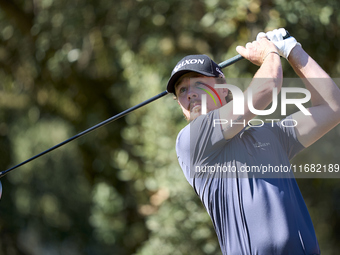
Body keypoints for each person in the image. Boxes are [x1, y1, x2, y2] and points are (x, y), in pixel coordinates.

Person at [166, 28, 340, 254]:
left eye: (197, 83)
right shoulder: (191, 141)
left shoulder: (271, 135)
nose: (188, 94)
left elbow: (333, 108)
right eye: (181, 90)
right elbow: (267, 88)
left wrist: (292, 49)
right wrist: (270, 54)